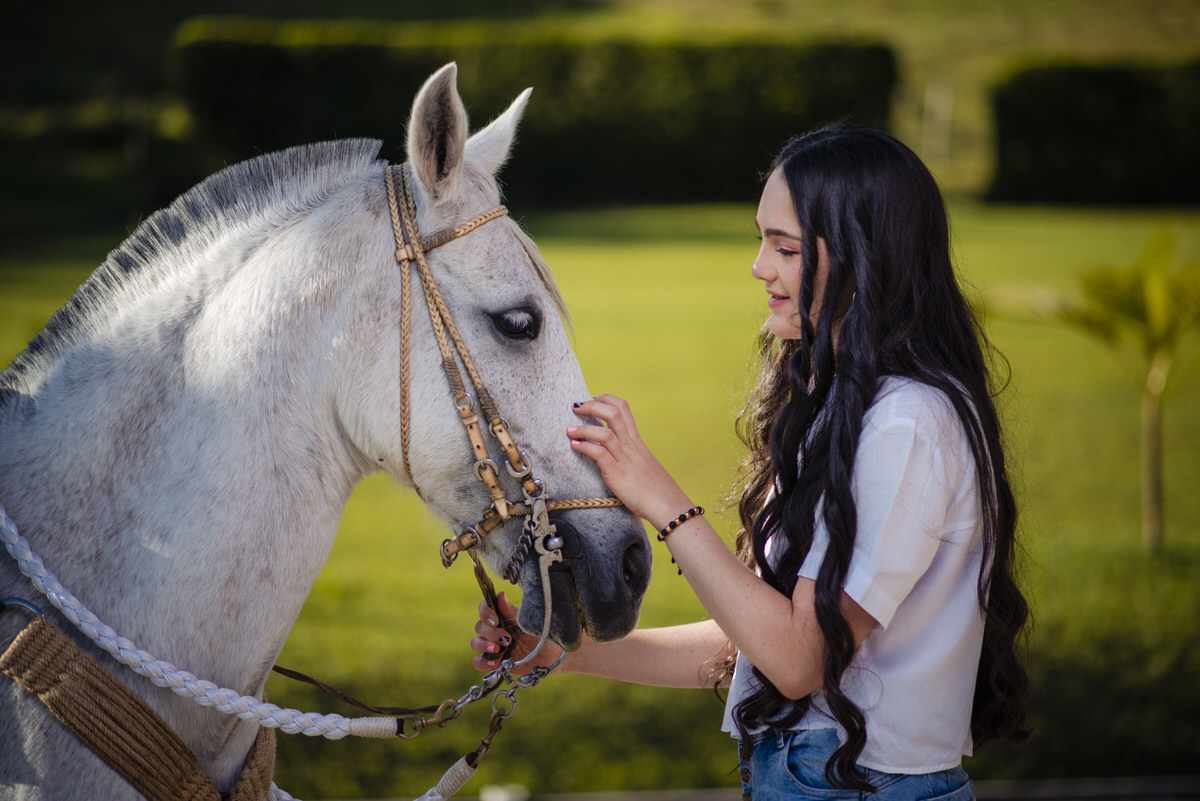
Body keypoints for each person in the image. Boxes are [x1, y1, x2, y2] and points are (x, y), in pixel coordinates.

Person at [470, 123, 1031, 801]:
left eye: (784, 247)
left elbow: (798, 661)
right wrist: (571, 652)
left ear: (864, 258)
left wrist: (664, 502)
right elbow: (758, 646)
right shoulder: (843, 408)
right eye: (761, 238)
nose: (759, 266)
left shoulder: (908, 424)